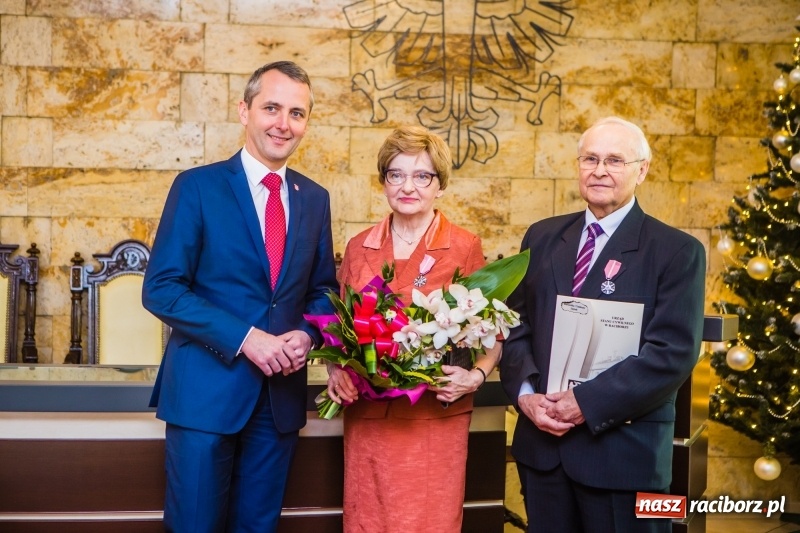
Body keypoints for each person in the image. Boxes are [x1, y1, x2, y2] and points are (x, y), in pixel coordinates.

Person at [142, 61, 338, 532]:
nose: (283, 123)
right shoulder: (197, 187)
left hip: (279, 403)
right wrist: (246, 338)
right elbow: (162, 289)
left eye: (297, 113)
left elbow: (324, 290)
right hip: (205, 396)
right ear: (244, 111)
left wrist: (308, 336)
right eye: (271, 108)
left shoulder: (314, 198)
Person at [500, 116, 706, 533]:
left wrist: (585, 403)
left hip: (626, 458)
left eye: (614, 160)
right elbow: (514, 323)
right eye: (590, 158)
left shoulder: (677, 251)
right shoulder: (540, 237)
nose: (599, 170)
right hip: (544, 451)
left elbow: (672, 354)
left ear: (641, 170)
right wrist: (525, 394)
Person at [326, 125, 502, 532]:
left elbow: (492, 333)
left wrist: (475, 376)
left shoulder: (463, 246)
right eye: (396, 174)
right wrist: (336, 370)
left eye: (422, 176)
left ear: (440, 185)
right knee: (368, 520)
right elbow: (338, 329)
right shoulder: (359, 246)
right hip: (369, 414)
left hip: (433, 415)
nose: (409, 186)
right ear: (384, 181)